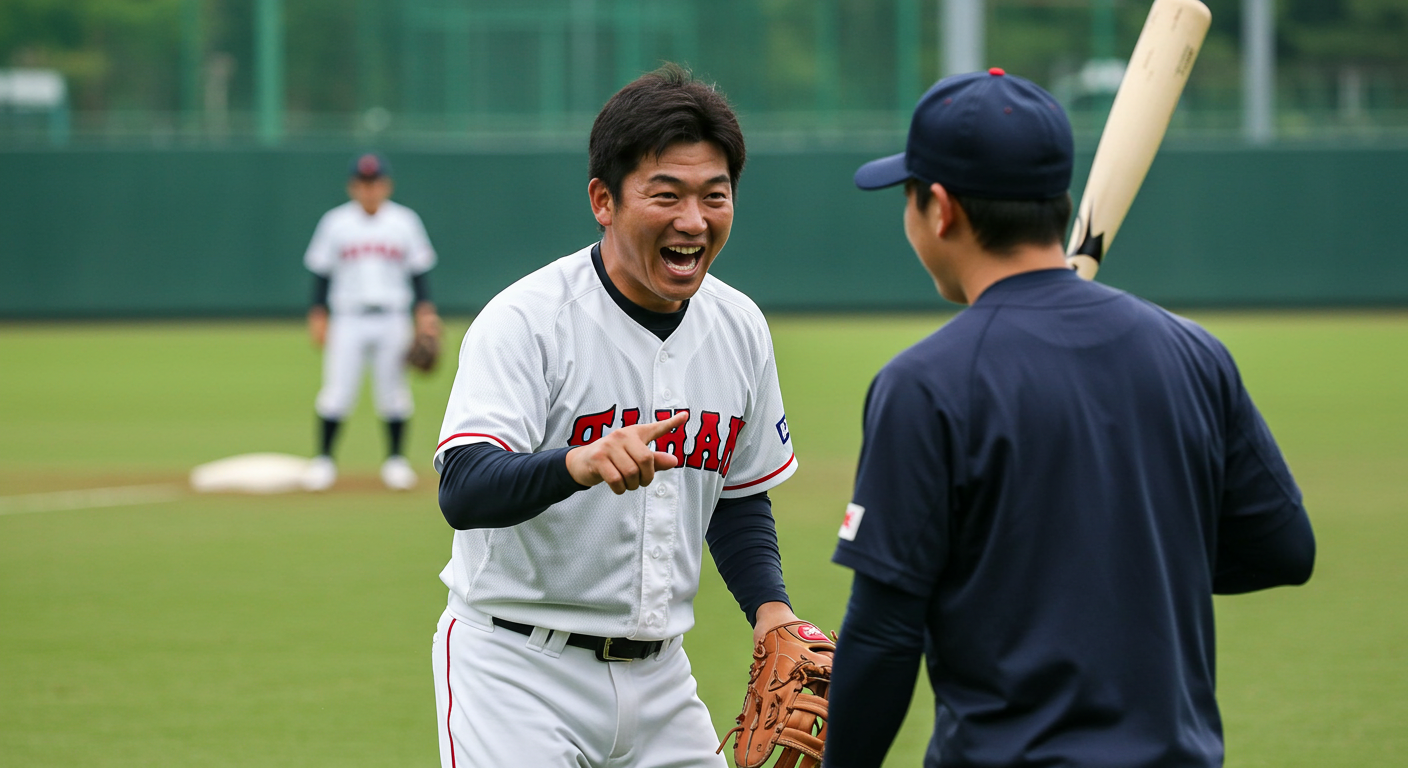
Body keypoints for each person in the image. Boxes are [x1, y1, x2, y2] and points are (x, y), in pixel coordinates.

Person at [822, 69, 1316, 768]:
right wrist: (1124, 561)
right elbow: (1284, 550)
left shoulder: (925, 383)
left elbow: (882, 636)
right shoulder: (1193, 352)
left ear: (939, 208)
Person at [429, 64, 810, 768]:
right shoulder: (528, 321)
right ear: (604, 200)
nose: (693, 221)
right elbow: (465, 485)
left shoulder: (740, 327)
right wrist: (577, 463)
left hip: (663, 679)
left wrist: (770, 609)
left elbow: (737, 496)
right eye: (666, 195)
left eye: (714, 196)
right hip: (516, 670)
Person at [302, 153, 440, 491]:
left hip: (393, 317)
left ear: (386, 185)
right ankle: (324, 461)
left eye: (375, 182)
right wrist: (318, 313)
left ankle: (395, 461)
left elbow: (419, 271)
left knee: (393, 392)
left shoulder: (404, 221)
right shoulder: (335, 223)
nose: (369, 189)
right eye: (363, 183)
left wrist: (425, 312)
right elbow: (321, 272)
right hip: (347, 318)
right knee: (337, 391)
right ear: (353, 187)